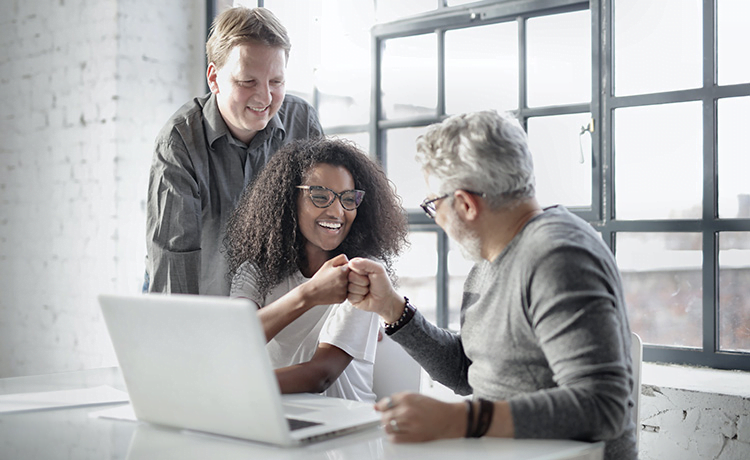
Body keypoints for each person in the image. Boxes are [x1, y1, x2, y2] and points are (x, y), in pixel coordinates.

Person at [346, 111, 636, 459]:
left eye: (433, 205)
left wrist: (461, 419)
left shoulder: (557, 257)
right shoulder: (490, 258)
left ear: (466, 204)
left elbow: (604, 406)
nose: (436, 218)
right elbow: (466, 371)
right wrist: (392, 308)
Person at [146, 6, 323, 295]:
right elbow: (172, 258)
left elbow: (328, 219)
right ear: (214, 79)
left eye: (276, 82)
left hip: (280, 309)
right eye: (247, 82)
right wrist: (179, 335)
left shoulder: (302, 124)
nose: (265, 97)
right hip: (206, 304)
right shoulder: (179, 142)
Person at [225, 137, 409, 402]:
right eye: (320, 196)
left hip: (346, 426)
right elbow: (235, 342)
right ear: (288, 200)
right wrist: (308, 294)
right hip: (274, 415)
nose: (337, 211)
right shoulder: (254, 271)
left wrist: (233, 385)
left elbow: (320, 375)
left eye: (348, 199)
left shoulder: (362, 274)